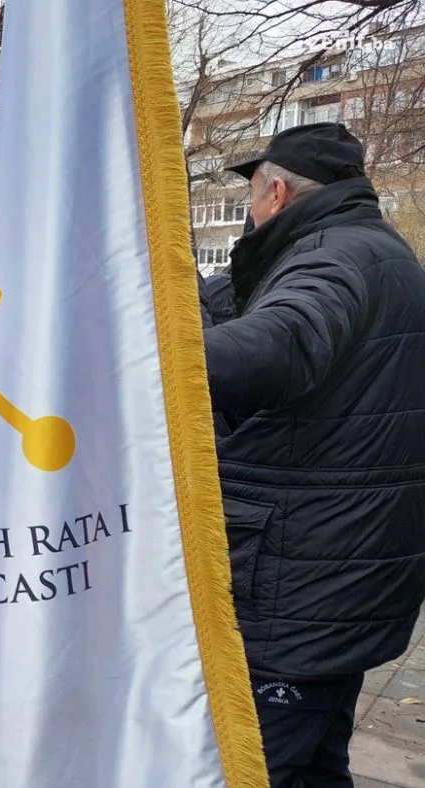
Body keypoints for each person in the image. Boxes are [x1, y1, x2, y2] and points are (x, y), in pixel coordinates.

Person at [204, 122, 425, 787]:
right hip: (344, 583)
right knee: (318, 765)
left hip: (295, 591)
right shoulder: (383, 254)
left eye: (251, 194)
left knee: (254, 770)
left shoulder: (331, 258)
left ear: (275, 192)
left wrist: (149, 352)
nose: (250, 211)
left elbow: (284, 342)